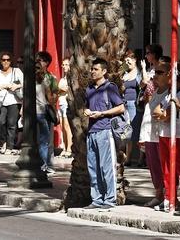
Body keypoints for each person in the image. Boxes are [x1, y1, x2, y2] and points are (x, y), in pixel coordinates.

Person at [83, 58, 125, 209]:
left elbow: (121, 108)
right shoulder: (89, 89)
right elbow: (86, 106)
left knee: (106, 166)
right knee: (93, 167)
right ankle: (97, 199)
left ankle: (109, 200)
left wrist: (102, 114)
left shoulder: (110, 87)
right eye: (92, 69)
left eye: (96, 69)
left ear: (104, 71)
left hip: (105, 130)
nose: (92, 72)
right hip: (92, 131)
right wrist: (87, 111)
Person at [155, 62, 180, 212]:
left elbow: (167, 115)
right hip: (164, 133)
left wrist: (162, 114)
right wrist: (161, 114)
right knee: (166, 167)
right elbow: (157, 112)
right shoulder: (168, 93)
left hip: (177, 134)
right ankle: (169, 197)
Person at [138, 43, 165, 207]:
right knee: (151, 158)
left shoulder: (159, 71)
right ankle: (158, 192)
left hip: (158, 115)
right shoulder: (149, 72)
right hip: (148, 114)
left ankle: (165, 193)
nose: (146, 56)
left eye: (148, 53)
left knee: (160, 158)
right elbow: (143, 86)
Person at [0, 51, 24, 154]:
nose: (6, 62)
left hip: (14, 101)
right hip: (1, 101)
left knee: (11, 124)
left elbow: (24, 83)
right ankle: (4, 141)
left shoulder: (17, 71)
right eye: (3, 60)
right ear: (0, 61)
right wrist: (3, 86)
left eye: (8, 60)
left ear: (11, 61)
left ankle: (10, 146)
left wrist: (16, 86)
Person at [35, 51, 58, 174]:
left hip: (39, 112)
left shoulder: (50, 78)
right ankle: (44, 164)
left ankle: (45, 163)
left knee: (42, 140)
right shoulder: (47, 79)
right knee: (44, 141)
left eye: (42, 60)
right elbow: (52, 97)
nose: (39, 62)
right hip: (43, 112)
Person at [121, 49, 142, 165]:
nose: (127, 63)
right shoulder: (125, 74)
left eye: (129, 61)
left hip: (134, 104)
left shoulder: (138, 74)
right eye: (126, 61)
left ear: (135, 61)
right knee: (127, 131)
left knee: (136, 130)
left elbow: (142, 86)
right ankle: (128, 158)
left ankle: (140, 158)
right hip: (125, 104)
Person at [58, 57, 73, 158]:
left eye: (67, 64)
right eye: (63, 65)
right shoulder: (63, 78)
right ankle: (64, 147)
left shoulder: (72, 78)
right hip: (61, 102)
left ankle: (69, 148)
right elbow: (58, 90)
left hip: (67, 104)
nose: (64, 67)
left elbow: (68, 90)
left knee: (67, 126)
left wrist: (62, 89)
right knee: (62, 127)